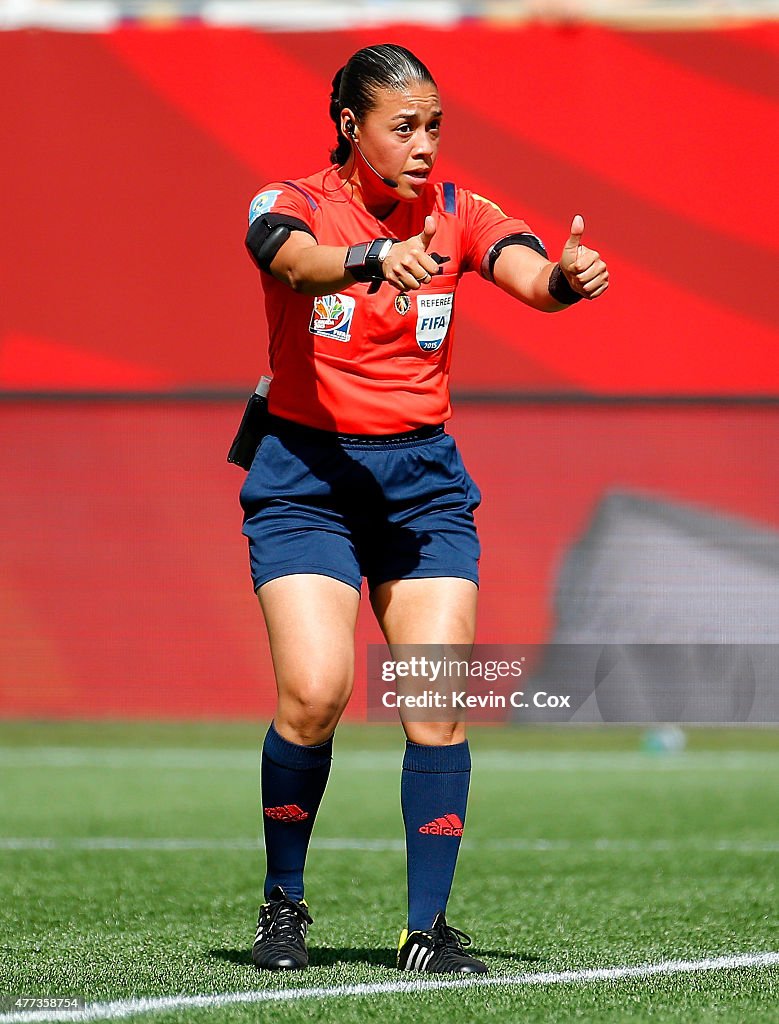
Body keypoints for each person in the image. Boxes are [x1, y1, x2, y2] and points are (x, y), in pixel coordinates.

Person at [239, 43, 609, 976]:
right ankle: (283, 903)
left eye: (433, 125)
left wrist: (567, 277)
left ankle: (425, 929)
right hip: (306, 477)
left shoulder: (460, 212)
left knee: (436, 706)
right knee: (316, 695)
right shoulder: (288, 204)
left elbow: (531, 279)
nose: (422, 144)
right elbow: (294, 263)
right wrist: (371, 258)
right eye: (402, 126)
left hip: (422, 484)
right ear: (349, 126)